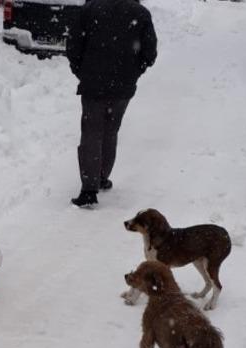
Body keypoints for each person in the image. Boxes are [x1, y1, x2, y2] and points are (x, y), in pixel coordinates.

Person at [66, 0, 157, 208]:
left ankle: (89, 189)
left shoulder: (89, 10)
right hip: (123, 86)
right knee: (110, 130)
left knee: (91, 131)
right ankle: (101, 176)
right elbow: (150, 53)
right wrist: (134, 71)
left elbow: (73, 46)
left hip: (92, 83)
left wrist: (81, 71)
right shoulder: (140, 13)